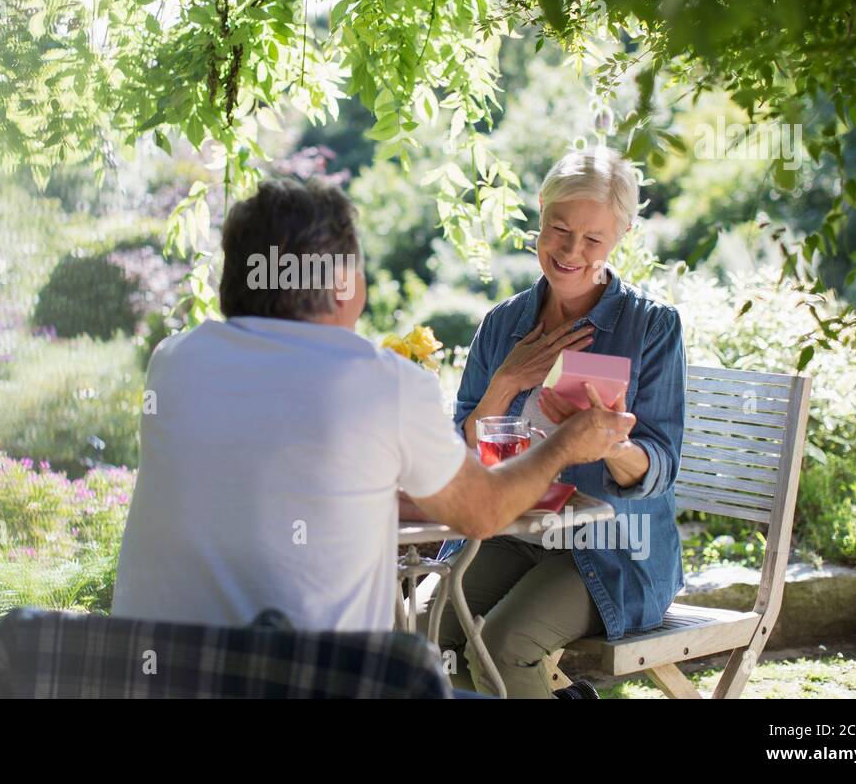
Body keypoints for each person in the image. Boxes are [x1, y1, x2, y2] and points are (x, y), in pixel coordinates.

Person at [111, 177, 635, 634]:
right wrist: (569, 443)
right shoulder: (381, 382)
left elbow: (269, 485)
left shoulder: (175, 362)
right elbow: (485, 513)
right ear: (343, 286)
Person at [422, 147, 687, 697]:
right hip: (514, 533)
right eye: (559, 229)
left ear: (622, 234)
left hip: (612, 545)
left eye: (593, 239)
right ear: (540, 211)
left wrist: (609, 442)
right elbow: (460, 454)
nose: (571, 251)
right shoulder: (504, 325)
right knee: (424, 631)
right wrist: (506, 383)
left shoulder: (651, 328)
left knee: (501, 646)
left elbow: (660, 465)